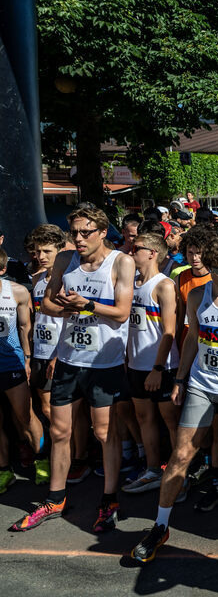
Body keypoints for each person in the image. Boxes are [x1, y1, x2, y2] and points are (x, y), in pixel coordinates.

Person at [130, 236, 218, 561]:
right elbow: (192, 337)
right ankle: (160, 526)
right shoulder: (195, 294)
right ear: (211, 268)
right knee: (181, 454)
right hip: (201, 385)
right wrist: (179, 378)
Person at [12, 206, 135, 533]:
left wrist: (87, 305)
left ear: (102, 232)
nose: (78, 239)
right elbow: (48, 304)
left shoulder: (121, 262)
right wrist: (70, 307)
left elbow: (122, 312)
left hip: (104, 363)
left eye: (85, 233)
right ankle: (55, 498)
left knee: (104, 433)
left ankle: (109, 499)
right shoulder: (66, 261)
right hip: (68, 359)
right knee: (59, 431)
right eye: (74, 233)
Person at [122, 233, 180, 494]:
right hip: (135, 365)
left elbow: (169, 331)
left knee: (171, 422)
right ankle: (152, 470)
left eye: (137, 248)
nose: (131, 251)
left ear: (152, 253)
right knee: (144, 418)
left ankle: (180, 475)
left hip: (162, 367)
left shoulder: (164, 285)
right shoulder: (131, 283)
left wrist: (157, 368)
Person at [0, 247, 42, 494]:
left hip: (12, 364)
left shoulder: (17, 292)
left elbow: (26, 327)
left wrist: (27, 358)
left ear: (4, 270)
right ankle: (4, 471)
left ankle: (43, 459)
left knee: (25, 417)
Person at [27, 225, 67, 481]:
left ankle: (65, 457)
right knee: (44, 407)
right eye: (38, 251)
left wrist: (57, 355)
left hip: (59, 353)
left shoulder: (67, 279)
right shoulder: (36, 279)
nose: (41, 256)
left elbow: (70, 321)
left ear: (60, 250)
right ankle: (54, 456)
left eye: (47, 251)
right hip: (40, 351)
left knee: (57, 411)